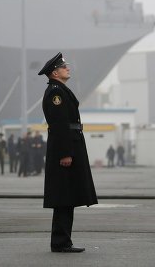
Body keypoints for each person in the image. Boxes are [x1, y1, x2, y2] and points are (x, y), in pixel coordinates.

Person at [38, 52, 97, 253]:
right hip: (65, 148)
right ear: (55, 72)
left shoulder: (60, 90)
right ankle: (60, 241)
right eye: (64, 67)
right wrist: (65, 153)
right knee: (64, 195)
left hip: (71, 145)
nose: (68, 68)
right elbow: (60, 125)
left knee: (68, 194)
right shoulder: (56, 93)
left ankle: (63, 240)